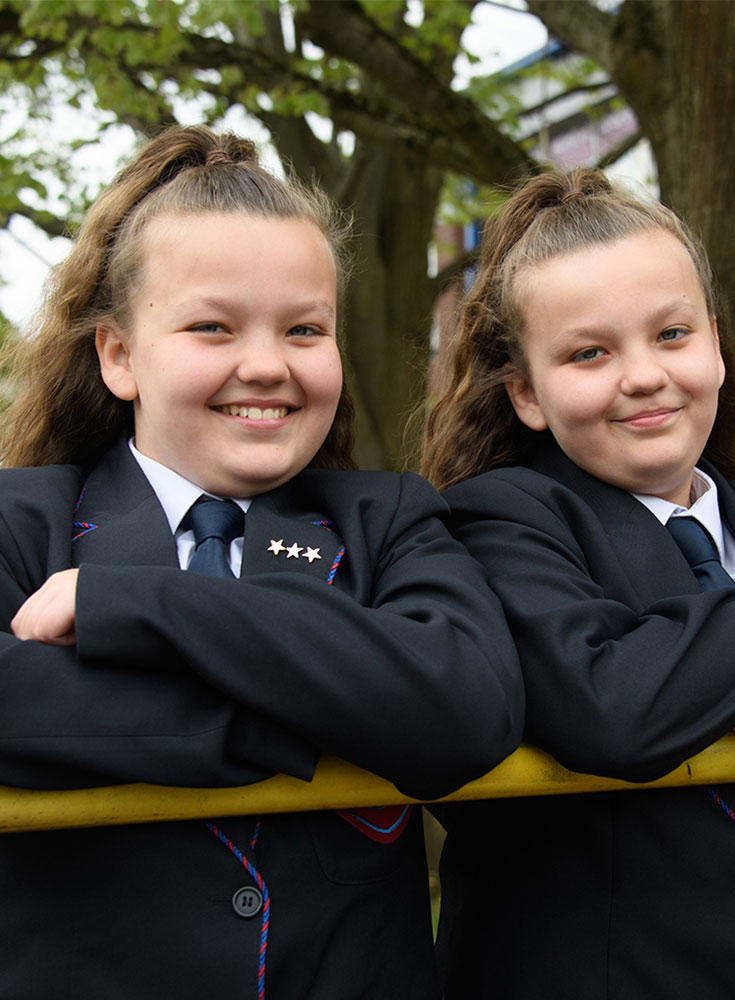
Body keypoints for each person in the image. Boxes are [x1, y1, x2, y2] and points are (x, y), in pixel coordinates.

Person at [0, 125, 523, 1000]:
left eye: (305, 329)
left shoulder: (390, 518)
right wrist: (315, 713)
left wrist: (143, 608)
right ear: (119, 355)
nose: (267, 365)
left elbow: (465, 707)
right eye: (213, 326)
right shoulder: (20, 522)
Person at [423, 167, 735, 1000]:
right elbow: (609, 702)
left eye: (672, 335)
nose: (643, 375)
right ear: (525, 392)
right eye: (590, 352)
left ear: (715, 342)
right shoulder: (496, 522)